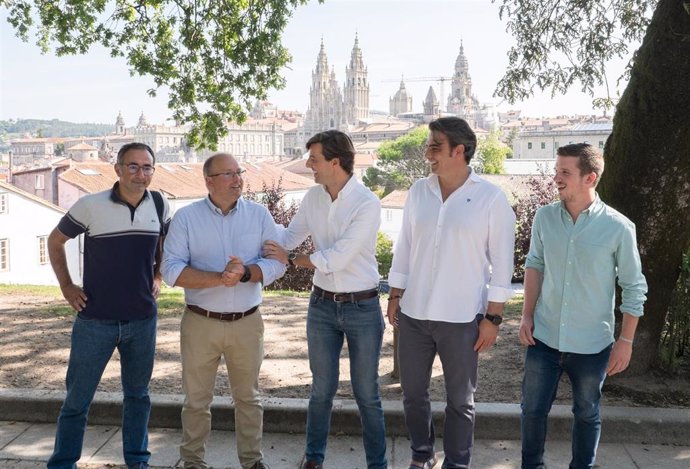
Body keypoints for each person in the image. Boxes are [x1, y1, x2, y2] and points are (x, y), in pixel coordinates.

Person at [386, 117, 516, 469]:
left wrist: (492, 318)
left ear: (459, 151)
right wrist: (395, 293)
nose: (428, 153)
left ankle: (457, 463)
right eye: (428, 146)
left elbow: (503, 265)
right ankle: (421, 455)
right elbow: (405, 247)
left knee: (461, 400)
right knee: (413, 395)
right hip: (414, 314)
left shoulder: (491, 199)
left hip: (461, 319)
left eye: (435, 147)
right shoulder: (418, 191)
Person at [263, 130, 387, 469]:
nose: (308, 165)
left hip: (362, 307)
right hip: (321, 307)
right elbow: (288, 237)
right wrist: (253, 218)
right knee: (321, 390)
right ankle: (313, 458)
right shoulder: (313, 198)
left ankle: (378, 463)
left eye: (314, 159)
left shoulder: (367, 203)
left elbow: (336, 258)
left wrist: (292, 260)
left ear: (335, 162)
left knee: (367, 394)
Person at [518, 143, 648, 469]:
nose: (556, 178)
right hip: (544, 338)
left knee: (587, 413)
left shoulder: (619, 228)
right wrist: (526, 316)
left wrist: (626, 342)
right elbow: (535, 265)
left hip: (592, 346)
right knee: (532, 410)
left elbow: (634, 288)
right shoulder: (545, 217)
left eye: (565, 172)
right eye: (556, 170)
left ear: (590, 178)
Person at [46, 142, 169, 469]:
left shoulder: (159, 203)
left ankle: (137, 462)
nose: (140, 174)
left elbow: (164, 243)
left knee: (138, 398)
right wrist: (67, 286)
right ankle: (62, 464)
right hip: (95, 322)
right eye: (132, 166)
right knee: (76, 401)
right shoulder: (90, 205)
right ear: (117, 169)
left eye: (147, 167)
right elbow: (55, 241)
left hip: (143, 320)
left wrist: (158, 275)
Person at [161, 153, 285, 469]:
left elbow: (277, 264)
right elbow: (171, 269)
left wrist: (245, 273)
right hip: (200, 323)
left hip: (247, 322)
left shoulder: (259, 216)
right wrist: (219, 277)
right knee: (196, 401)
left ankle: (252, 461)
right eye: (228, 174)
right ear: (209, 181)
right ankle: (192, 462)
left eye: (238, 172)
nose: (237, 179)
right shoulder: (187, 218)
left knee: (249, 399)